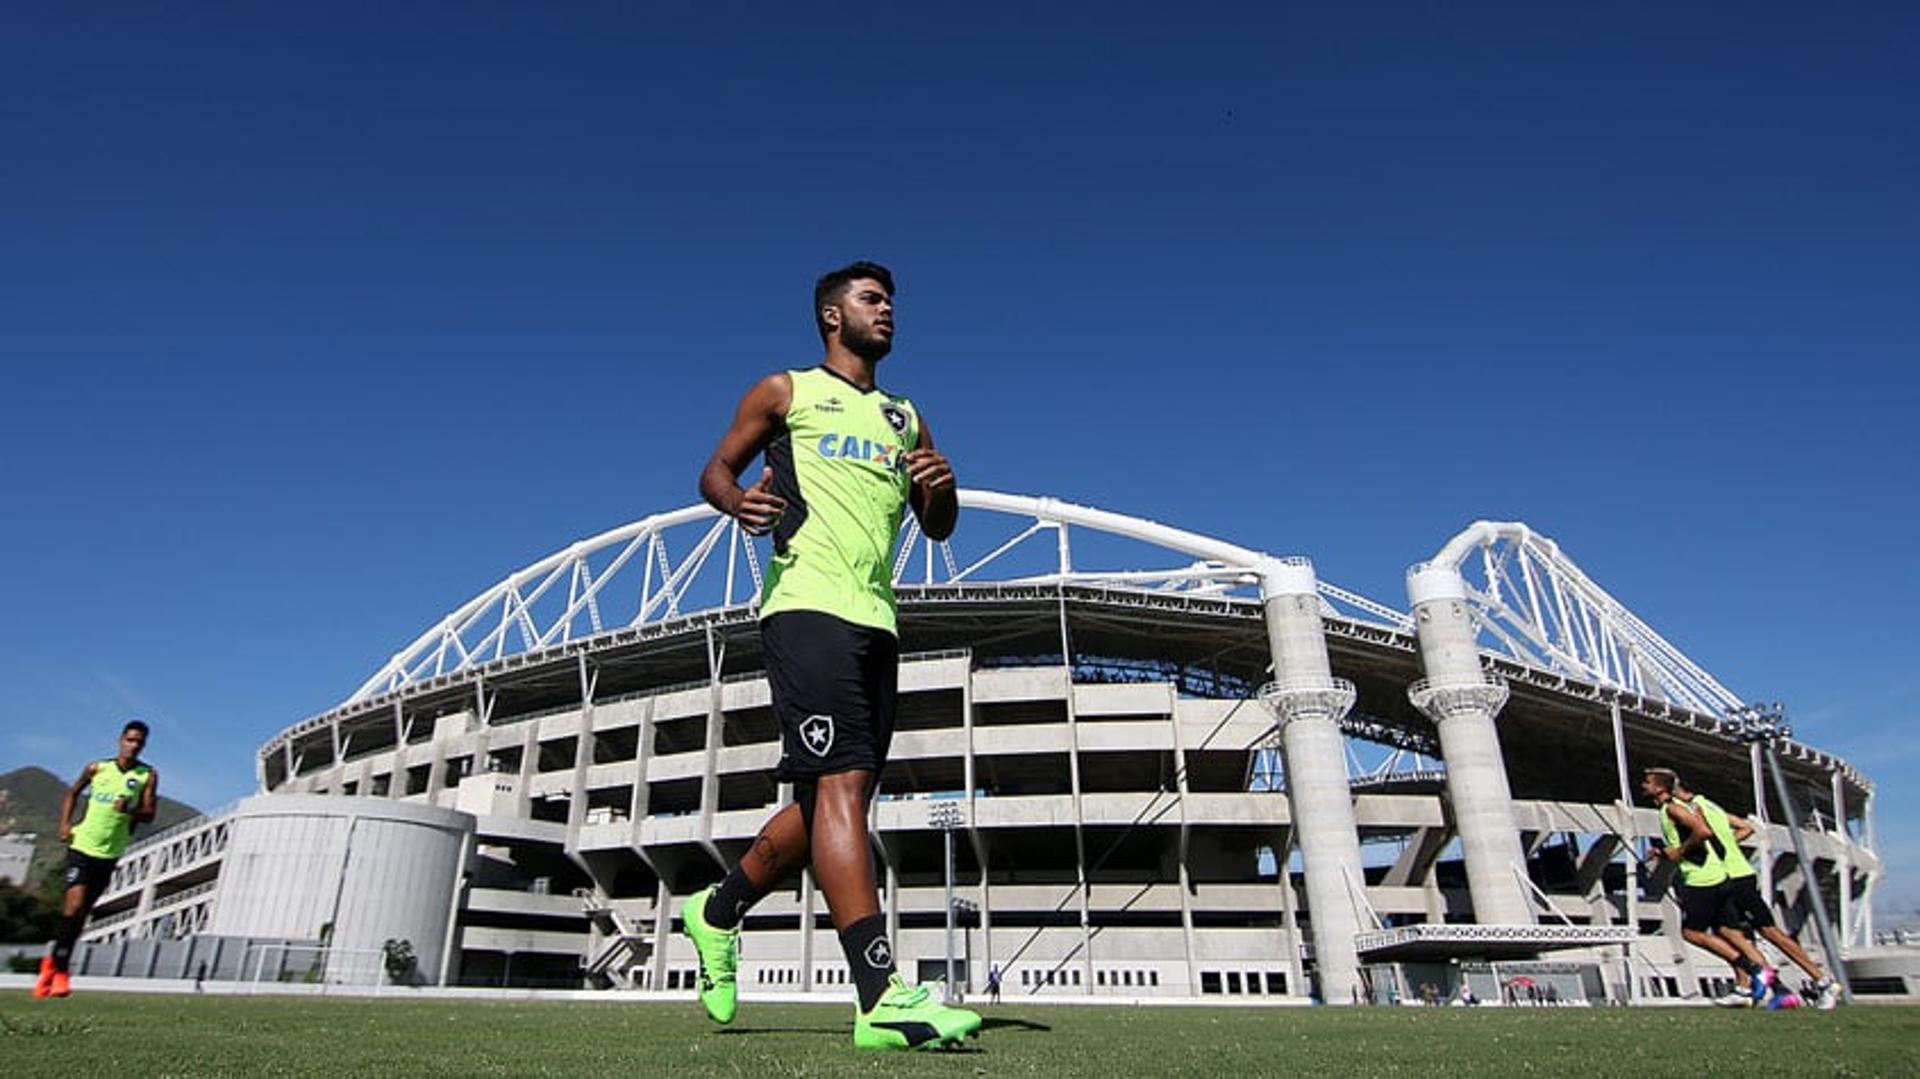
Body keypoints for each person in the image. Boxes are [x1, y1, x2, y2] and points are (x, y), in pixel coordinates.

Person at [680, 261, 977, 1051]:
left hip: (878, 620)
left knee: (828, 805)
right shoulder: (785, 391)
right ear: (831, 317)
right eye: (872, 300)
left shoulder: (906, 416)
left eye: (892, 302)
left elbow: (937, 524)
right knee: (842, 786)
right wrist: (736, 500)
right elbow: (715, 468)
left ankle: (714, 912)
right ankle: (879, 994)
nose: (889, 311)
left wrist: (943, 486)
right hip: (806, 606)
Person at [1674, 775, 1843, 1009]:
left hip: (1734, 875)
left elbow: (1703, 834)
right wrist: (1729, 843)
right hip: (1730, 875)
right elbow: (1746, 828)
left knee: (1769, 931)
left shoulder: (1693, 810)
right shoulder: (1711, 806)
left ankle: (1822, 981)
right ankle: (1744, 988)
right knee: (1728, 932)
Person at [33, 720, 158, 999]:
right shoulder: (97, 768)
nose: (133, 745)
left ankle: (51, 965)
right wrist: (65, 824)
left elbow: (149, 813)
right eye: (129, 740)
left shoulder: (146, 775)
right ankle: (62, 973)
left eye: (139, 742)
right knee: (73, 905)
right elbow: (73, 792)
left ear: (144, 745)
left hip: (110, 851)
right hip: (82, 845)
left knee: (82, 913)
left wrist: (131, 809)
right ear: (120, 740)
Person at [1638, 767, 1781, 1006]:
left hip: (1702, 879)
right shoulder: (1676, 807)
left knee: (1691, 933)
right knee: (1731, 934)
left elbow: (1702, 832)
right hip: (1720, 876)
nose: (1643, 785)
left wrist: (1679, 852)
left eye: (1647, 782)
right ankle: (1775, 988)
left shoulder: (1672, 808)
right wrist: (1664, 852)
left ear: (1659, 788)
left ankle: (1752, 969)